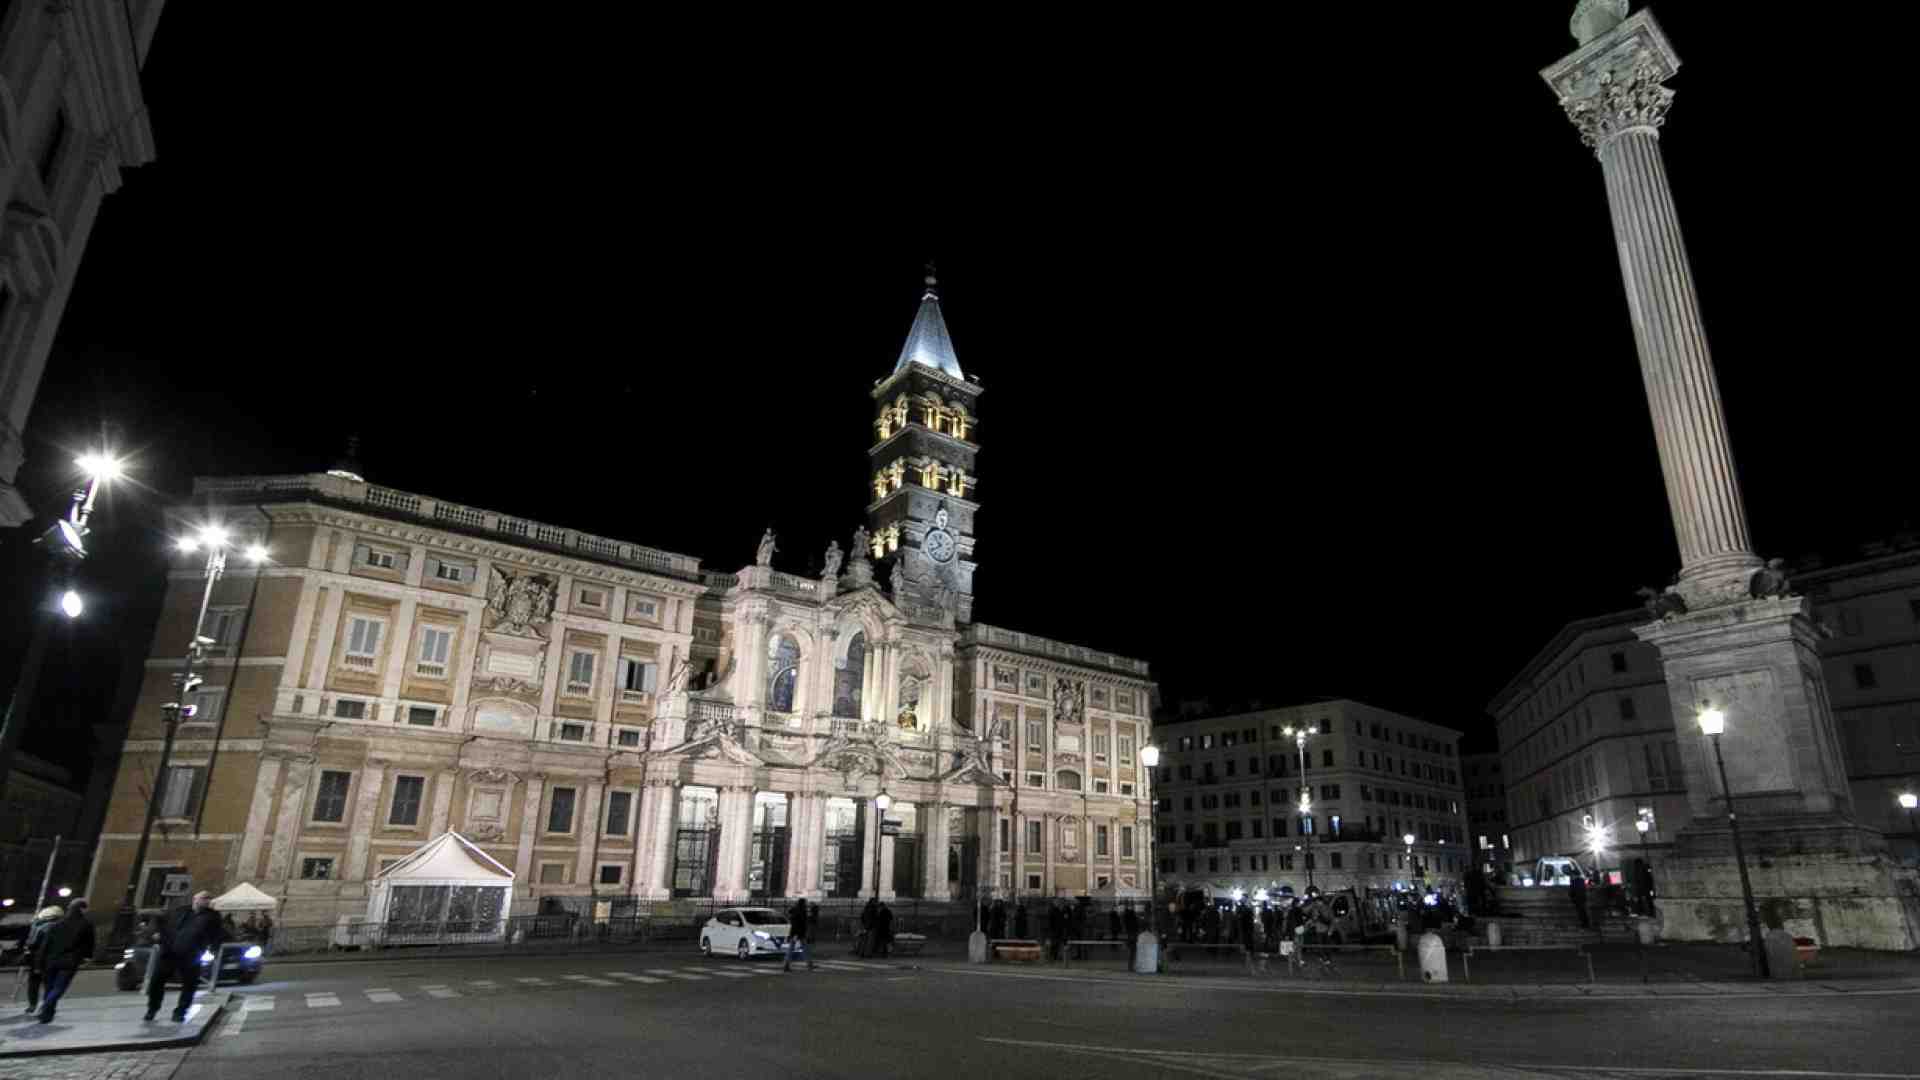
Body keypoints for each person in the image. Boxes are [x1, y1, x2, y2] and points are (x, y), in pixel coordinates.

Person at [147, 890, 227, 1023]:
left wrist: (214, 949)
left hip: (192, 954)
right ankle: (152, 1008)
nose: (207, 900)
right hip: (169, 952)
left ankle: (180, 1012)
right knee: (157, 980)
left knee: (189, 984)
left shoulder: (212, 916)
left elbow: (217, 935)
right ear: (195, 899)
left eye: (209, 898)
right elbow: (160, 920)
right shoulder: (179, 911)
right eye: (204, 898)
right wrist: (156, 934)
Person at [34, 900, 95, 1024]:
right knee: (59, 988)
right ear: (82, 909)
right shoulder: (86, 924)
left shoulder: (57, 924)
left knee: (49, 988)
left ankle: (47, 1015)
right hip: (69, 961)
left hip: (51, 960)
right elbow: (89, 944)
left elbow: (45, 945)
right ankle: (46, 1007)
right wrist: (87, 957)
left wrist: (39, 963)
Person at [21, 904, 64, 1015]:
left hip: (35, 958)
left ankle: (32, 1005)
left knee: (34, 983)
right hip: (47, 959)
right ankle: (45, 1006)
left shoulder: (36, 924)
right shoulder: (55, 926)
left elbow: (31, 942)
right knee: (48, 984)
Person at [783, 895, 815, 971]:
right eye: (805, 903)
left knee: (792, 949)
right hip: (799, 933)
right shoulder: (801, 912)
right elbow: (801, 924)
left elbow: (794, 922)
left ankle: (786, 965)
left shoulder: (795, 911)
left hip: (795, 932)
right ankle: (809, 964)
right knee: (805, 949)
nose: (806, 905)